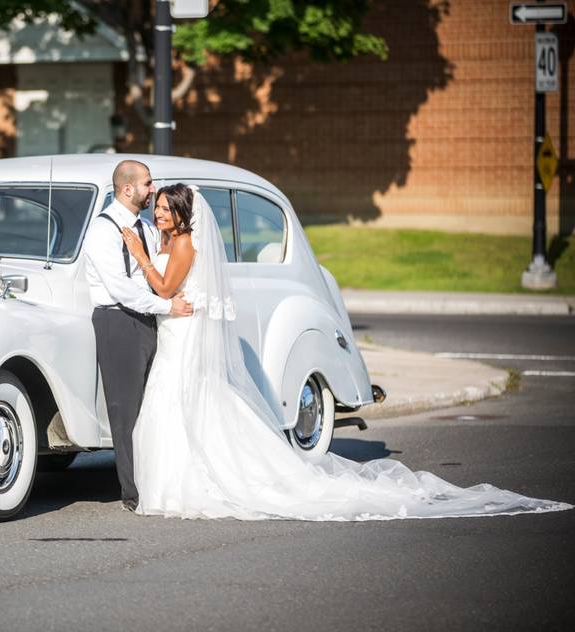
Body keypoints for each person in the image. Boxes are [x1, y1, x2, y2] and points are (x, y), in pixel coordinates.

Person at [122, 183, 571, 520]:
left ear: (182, 214)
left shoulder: (181, 244)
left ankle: (193, 482)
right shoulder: (169, 240)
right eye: (157, 207)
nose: (159, 213)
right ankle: (174, 483)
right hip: (175, 329)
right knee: (177, 404)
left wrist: (139, 255)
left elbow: (163, 285)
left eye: (165, 208)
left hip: (182, 334)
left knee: (184, 401)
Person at [82, 160, 193, 512]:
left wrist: (165, 303)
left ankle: (158, 480)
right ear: (128, 188)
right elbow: (120, 289)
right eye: (147, 184)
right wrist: (167, 308)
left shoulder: (145, 227)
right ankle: (133, 492)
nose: (152, 189)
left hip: (148, 322)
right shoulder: (103, 230)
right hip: (118, 322)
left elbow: (153, 278)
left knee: (152, 407)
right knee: (125, 409)